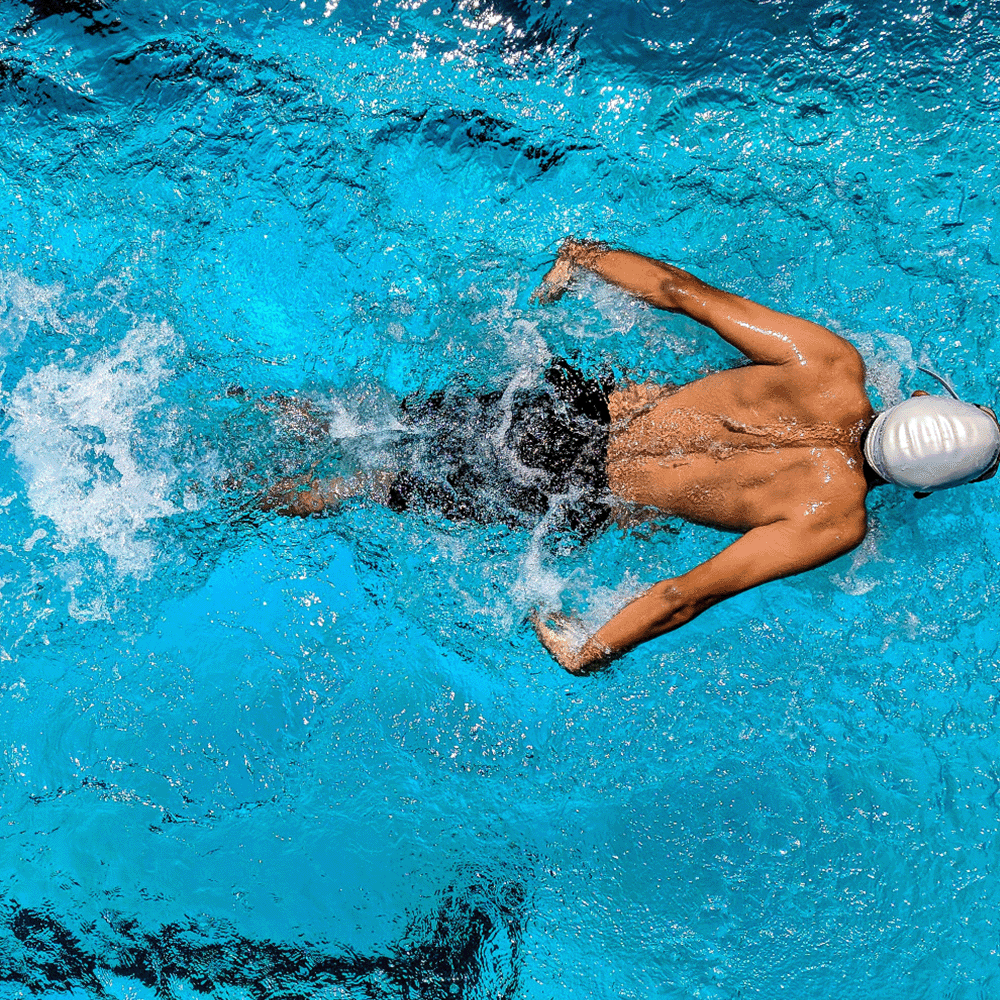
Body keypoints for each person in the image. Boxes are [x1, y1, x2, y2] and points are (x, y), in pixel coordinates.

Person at [264, 240, 1000, 675]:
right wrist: (592, 649)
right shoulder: (834, 519)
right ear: (924, 489)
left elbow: (684, 294)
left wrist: (585, 259)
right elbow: (688, 592)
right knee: (371, 487)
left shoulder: (829, 363)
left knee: (373, 421)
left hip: (563, 407)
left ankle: (263, 406)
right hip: (571, 492)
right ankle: (239, 497)